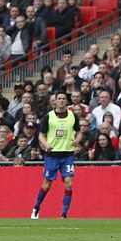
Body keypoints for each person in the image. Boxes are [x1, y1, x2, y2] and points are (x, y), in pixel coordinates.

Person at [31, 91, 83, 219]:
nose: (61, 101)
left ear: (66, 101)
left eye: (63, 99)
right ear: (55, 101)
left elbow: (79, 131)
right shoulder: (49, 117)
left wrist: (78, 140)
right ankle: (36, 208)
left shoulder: (72, 116)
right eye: (59, 99)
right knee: (46, 185)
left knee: (69, 182)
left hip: (67, 154)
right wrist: (45, 144)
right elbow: (41, 134)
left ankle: (64, 214)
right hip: (52, 155)